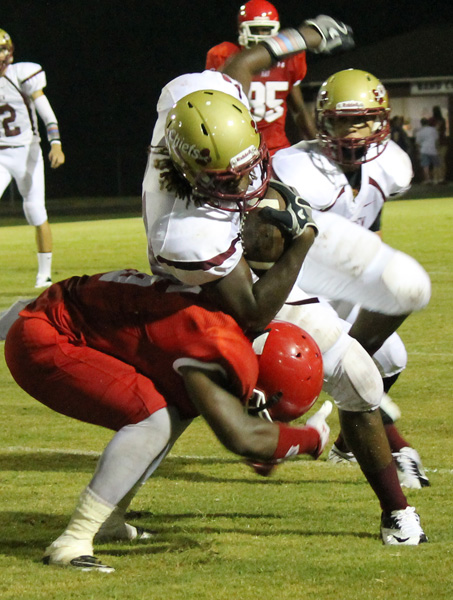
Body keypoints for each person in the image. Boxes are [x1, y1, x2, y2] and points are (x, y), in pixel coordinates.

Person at [143, 28, 428, 545]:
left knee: (373, 351)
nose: (246, 181)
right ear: (190, 170)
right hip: (223, 283)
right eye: (228, 178)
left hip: (252, 248)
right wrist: (302, 237)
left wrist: (303, 36)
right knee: (185, 399)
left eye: (249, 160)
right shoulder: (185, 231)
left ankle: (394, 509)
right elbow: (253, 307)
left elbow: (242, 64)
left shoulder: (197, 96)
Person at [4, 269, 331, 572]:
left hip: (68, 317)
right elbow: (243, 437)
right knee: (154, 419)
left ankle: (109, 520)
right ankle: (73, 540)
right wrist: (310, 440)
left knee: (174, 412)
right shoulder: (220, 344)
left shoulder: (224, 327)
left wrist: (268, 443)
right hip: (46, 336)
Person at [271, 68, 432, 491]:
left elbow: (370, 226)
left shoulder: (390, 165)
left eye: (363, 120)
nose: (353, 132)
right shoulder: (296, 168)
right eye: (343, 121)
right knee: (353, 365)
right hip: (299, 285)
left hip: (341, 283)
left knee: (392, 358)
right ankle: (398, 449)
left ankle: (347, 442)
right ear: (324, 123)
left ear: (382, 121)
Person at [206, 0, 317, 154]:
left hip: (277, 148)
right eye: (255, 30)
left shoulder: (290, 58)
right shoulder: (226, 56)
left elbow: (298, 109)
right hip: (241, 148)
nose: (261, 36)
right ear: (242, 29)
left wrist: (317, 145)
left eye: (266, 30)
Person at [0, 29, 65, 288]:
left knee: (36, 210)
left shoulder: (21, 74)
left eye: (3, 49)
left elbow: (46, 114)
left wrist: (56, 144)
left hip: (28, 151)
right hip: (1, 154)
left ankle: (44, 275)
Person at [415, 117, 441, 184]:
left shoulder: (419, 132)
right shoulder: (433, 130)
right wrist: (438, 149)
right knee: (436, 165)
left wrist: (419, 151)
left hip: (424, 150)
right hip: (433, 149)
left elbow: (417, 143)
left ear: (421, 123)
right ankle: (436, 179)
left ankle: (427, 179)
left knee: (425, 166)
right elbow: (436, 140)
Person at [429, 105, 448, 183]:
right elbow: (443, 130)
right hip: (442, 142)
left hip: (434, 143)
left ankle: (435, 178)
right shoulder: (442, 120)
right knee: (442, 161)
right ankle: (441, 177)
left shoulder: (431, 120)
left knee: (435, 161)